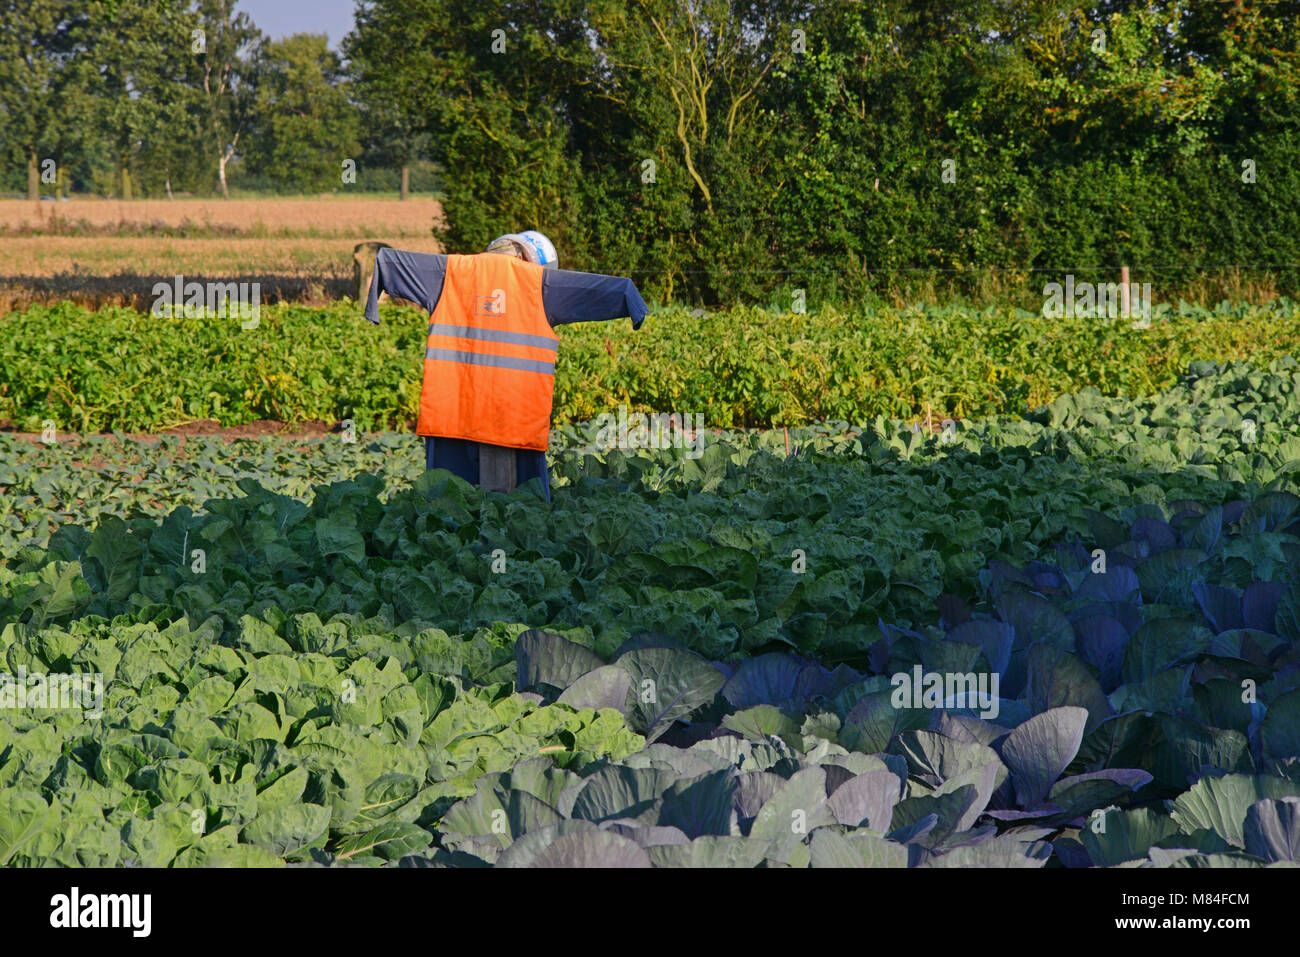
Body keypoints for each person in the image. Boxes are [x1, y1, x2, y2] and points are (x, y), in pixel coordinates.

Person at [363, 231, 648, 502]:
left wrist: (372, 307)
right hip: (512, 420)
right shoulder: (542, 283)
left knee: (447, 509)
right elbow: (608, 289)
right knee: (515, 513)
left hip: (452, 416)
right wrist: (632, 303)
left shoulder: (450, 271)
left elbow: (390, 262)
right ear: (536, 262)